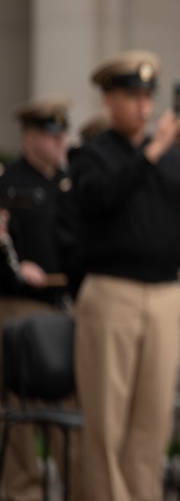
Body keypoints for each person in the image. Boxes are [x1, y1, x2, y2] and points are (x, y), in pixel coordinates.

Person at [70, 50, 180, 501]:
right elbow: (100, 198)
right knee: (105, 421)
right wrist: (153, 150)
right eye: (132, 96)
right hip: (111, 292)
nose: (143, 106)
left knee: (152, 420)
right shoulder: (92, 155)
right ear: (108, 99)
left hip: (165, 294)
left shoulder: (176, 158)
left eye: (147, 96)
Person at [0, 97, 74, 500]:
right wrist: (17, 268)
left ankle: (78, 487)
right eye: (51, 132)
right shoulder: (8, 183)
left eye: (62, 132)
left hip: (62, 307)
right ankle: (23, 491)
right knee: (20, 407)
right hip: (19, 305)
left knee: (71, 406)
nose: (60, 139)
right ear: (30, 136)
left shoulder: (67, 184)